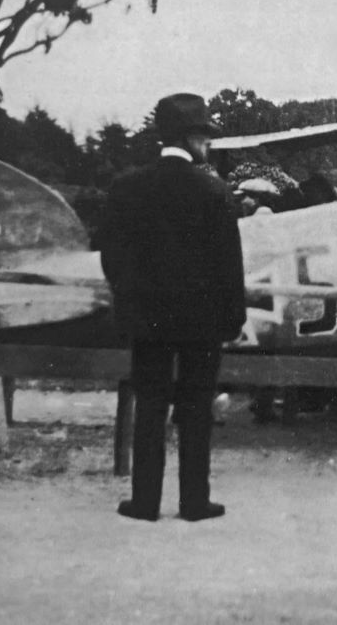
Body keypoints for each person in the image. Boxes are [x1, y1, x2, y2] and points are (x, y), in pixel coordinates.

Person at [100, 93, 246, 522]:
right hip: (202, 322)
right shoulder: (215, 191)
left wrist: (131, 301)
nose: (208, 144)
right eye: (204, 135)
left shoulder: (127, 188)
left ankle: (144, 503)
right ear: (192, 137)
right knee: (197, 408)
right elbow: (229, 266)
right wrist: (232, 319)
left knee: (150, 406)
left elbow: (111, 255)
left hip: (148, 320)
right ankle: (194, 502)